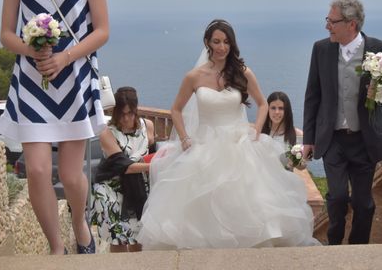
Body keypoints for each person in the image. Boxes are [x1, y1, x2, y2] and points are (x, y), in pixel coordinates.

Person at [137, 19, 319, 249]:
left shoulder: (242, 72)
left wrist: (255, 131)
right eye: (216, 41)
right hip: (203, 145)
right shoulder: (194, 77)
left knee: (247, 204)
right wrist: (184, 138)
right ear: (208, 43)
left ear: (232, 44)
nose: (222, 47)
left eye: (226, 42)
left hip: (238, 143)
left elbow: (263, 104)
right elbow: (176, 110)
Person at [0, 0, 109, 255]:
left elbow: (102, 31)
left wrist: (65, 58)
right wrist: (33, 50)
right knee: (39, 171)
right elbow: (6, 35)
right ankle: (57, 249)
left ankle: (80, 225)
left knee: (73, 176)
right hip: (32, 84)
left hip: (74, 82)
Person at [303, 0, 382, 245]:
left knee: (363, 204)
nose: (327, 26)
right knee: (338, 198)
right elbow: (313, 96)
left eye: (331, 21)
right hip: (333, 139)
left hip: (365, 140)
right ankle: (334, 244)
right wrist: (309, 140)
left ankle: (357, 251)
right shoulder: (321, 49)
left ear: (351, 24)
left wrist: (379, 96)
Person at [91, 87, 152, 253]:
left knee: (138, 238)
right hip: (112, 190)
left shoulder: (148, 127)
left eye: (130, 113)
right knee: (119, 240)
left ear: (136, 110)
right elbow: (126, 167)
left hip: (139, 187)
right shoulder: (107, 133)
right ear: (116, 112)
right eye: (122, 114)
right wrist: (153, 166)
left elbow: (151, 152)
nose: (126, 119)